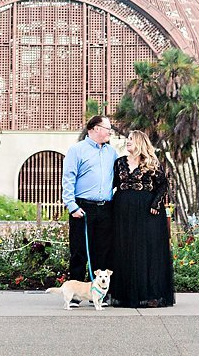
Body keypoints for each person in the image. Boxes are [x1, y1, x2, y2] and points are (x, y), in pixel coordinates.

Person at [108, 129, 174, 308]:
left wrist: (155, 204)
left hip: (147, 213)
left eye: (131, 139)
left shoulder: (151, 163)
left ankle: (150, 294)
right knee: (125, 249)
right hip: (122, 212)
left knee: (148, 251)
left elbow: (163, 186)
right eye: (128, 139)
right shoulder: (119, 162)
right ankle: (125, 295)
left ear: (140, 142)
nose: (128, 141)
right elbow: (112, 185)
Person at [61, 114, 118, 292]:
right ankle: (76, 293)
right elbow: (68, 179)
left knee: (103, 252)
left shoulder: (112, 152)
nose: (110, 132)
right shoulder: (76, 150)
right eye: (108, 128)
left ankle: (99, 293)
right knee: (79, 252)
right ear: (95, 129)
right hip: (82, 208)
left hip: (106, 209)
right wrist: (72, 206)